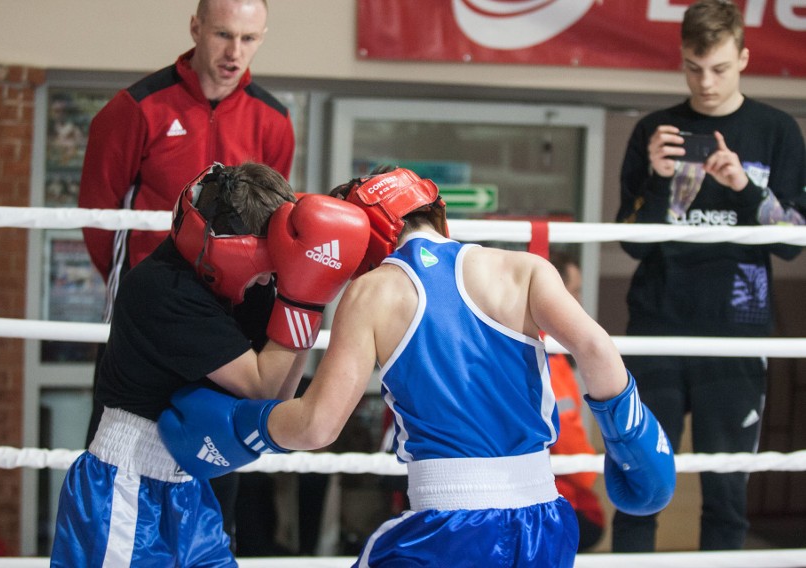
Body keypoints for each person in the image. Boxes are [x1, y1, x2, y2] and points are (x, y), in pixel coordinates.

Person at [158, 167, 677, 567]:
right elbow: (598, 350)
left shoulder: (371, 292)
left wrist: (236, 426)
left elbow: (318, 425)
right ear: (436, 212)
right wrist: (631, 441)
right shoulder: (523, 269)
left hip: (448, 528)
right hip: (545, 520)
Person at [50, 162, 369, 566]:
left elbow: (277, 397)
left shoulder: (245, 287)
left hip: (190, 484)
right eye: (267, 266)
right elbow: (261, 385)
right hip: (126, 487)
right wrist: (304, 300)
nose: (270, 278)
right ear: (236, 251)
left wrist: (302, 290)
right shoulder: (163, 290)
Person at [78, 0, 296, 543]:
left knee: (216, 449)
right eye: (223, 35)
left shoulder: (272, 118)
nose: (234, 52)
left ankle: (207, 546)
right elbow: (99, 217)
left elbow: (271, 219)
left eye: (249, 39)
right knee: (124, 434)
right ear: (195, 27)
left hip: (229, 320)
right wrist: (146, 295)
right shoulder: (138, 107)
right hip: (157, 307)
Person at [613, 0, 806, 552]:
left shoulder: (775, 130)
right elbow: (629, 238)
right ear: (682, 60)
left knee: (727, 493)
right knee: (641, 487)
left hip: (737, 334)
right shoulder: (656, 129)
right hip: (656, 331)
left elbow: (794, 244)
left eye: (719, 68)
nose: (706, 82)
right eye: (694, 68)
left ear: (743, 58)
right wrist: (655, 178)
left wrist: (745, 187)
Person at [548, 251, 605, 553]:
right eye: (576, 291)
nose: (580, 300)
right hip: (550, 499)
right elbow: (566, 438)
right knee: (592, 520)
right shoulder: (546, 357)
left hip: (509, 496)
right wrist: (588, 470)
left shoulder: (525, 347)